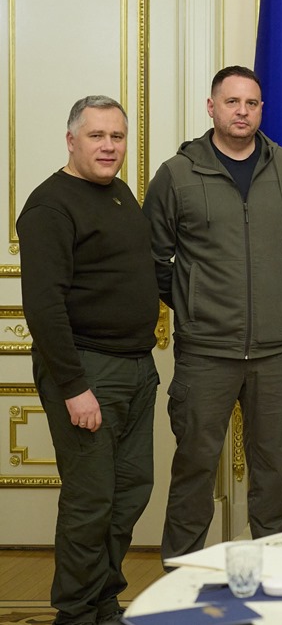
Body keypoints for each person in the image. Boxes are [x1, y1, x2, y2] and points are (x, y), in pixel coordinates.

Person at [145, 66, 282, 562]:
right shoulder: (177, 174)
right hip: (206, 354)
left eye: (252, 103)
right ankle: (180, 582)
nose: (243, 111)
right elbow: (153, 257)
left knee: (272, 472)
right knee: (195, 469)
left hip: (273, 354)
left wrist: (266, 297)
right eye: (233, 102)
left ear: (263, 109)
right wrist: (196, 303)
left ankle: (270, 579)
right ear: (211, 106)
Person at [18, 96, 159, 625]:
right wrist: (75, 387)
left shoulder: (119, 193)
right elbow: (44, 307)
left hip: (136, 369)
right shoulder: (50, 206)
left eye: (117, 137)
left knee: (128, 496)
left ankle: (104, 603)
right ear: (71, 140)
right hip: (86, 371)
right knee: (91, 502)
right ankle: (75, 614)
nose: (108, 147)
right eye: (97, 136)